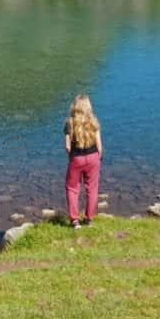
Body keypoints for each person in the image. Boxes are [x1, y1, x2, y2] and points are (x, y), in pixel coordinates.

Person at [63, 94, 103, 229]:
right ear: (88, 106)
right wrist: (98, 157)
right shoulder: (94, 121)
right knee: (92, 188)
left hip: (76, 158)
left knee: (72, 188)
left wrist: (71, 157)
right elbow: (99, 145)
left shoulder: (70, 122)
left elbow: (67, 146)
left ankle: (74, 221)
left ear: (75, 106)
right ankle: (89, 219)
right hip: (93, 157)